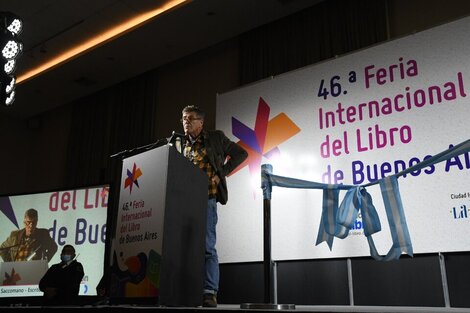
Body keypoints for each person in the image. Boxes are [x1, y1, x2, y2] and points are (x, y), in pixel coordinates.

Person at [181, 105, 248, 307]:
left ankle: (209, 292)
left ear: (201, 122)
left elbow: (241, 153)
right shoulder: (179, 144)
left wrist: (222, 173)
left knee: (207, 247)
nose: (186, 122)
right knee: (186, 248)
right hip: (184, 202)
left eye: (190, 118)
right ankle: (186, 290)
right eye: (183, 118)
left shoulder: (215, 138)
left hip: (207, 199)